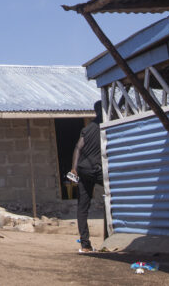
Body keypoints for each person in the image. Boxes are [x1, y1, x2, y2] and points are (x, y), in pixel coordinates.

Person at [69, 100, 103, 254]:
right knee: (113, 195)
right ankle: (110, 236)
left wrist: (74, 168)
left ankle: (85, 245)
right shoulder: (105, 125)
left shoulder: (87, 128)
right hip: (97, 170)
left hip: (83, 170)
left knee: (82, 207)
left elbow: (78, 147)